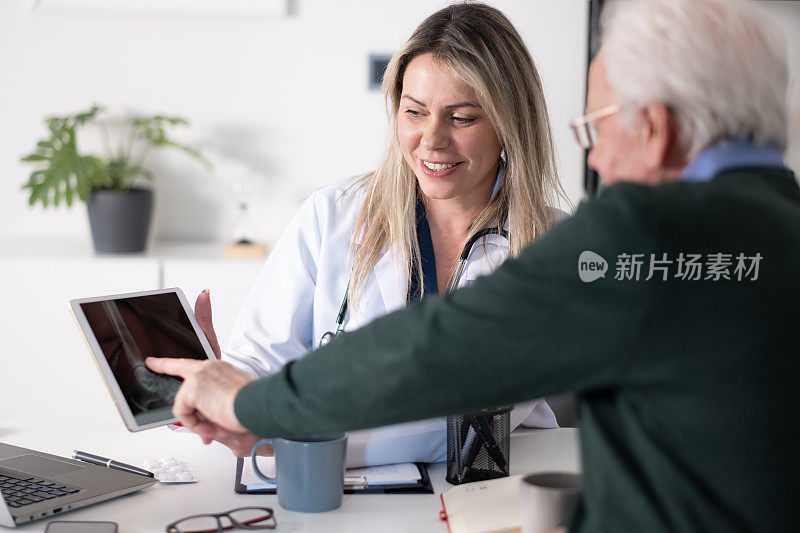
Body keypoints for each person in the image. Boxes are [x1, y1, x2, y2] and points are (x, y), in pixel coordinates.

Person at [148, 0, 799, 530]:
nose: (596, 160)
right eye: (415, 111)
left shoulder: (633, 235)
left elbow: (432, 354)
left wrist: (254, 400)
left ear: (653, 125)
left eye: (597, 128)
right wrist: (242, 386)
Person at [193, 2, 568, 466]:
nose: (431, 140)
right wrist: (213, 384)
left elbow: (478, 416)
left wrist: (279, 429)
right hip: (346, 499)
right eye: (415, 112)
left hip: (493, 494)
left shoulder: (550, 245)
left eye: (463, 117)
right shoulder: (330, 217)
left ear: (509, 123)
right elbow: (257, 364)